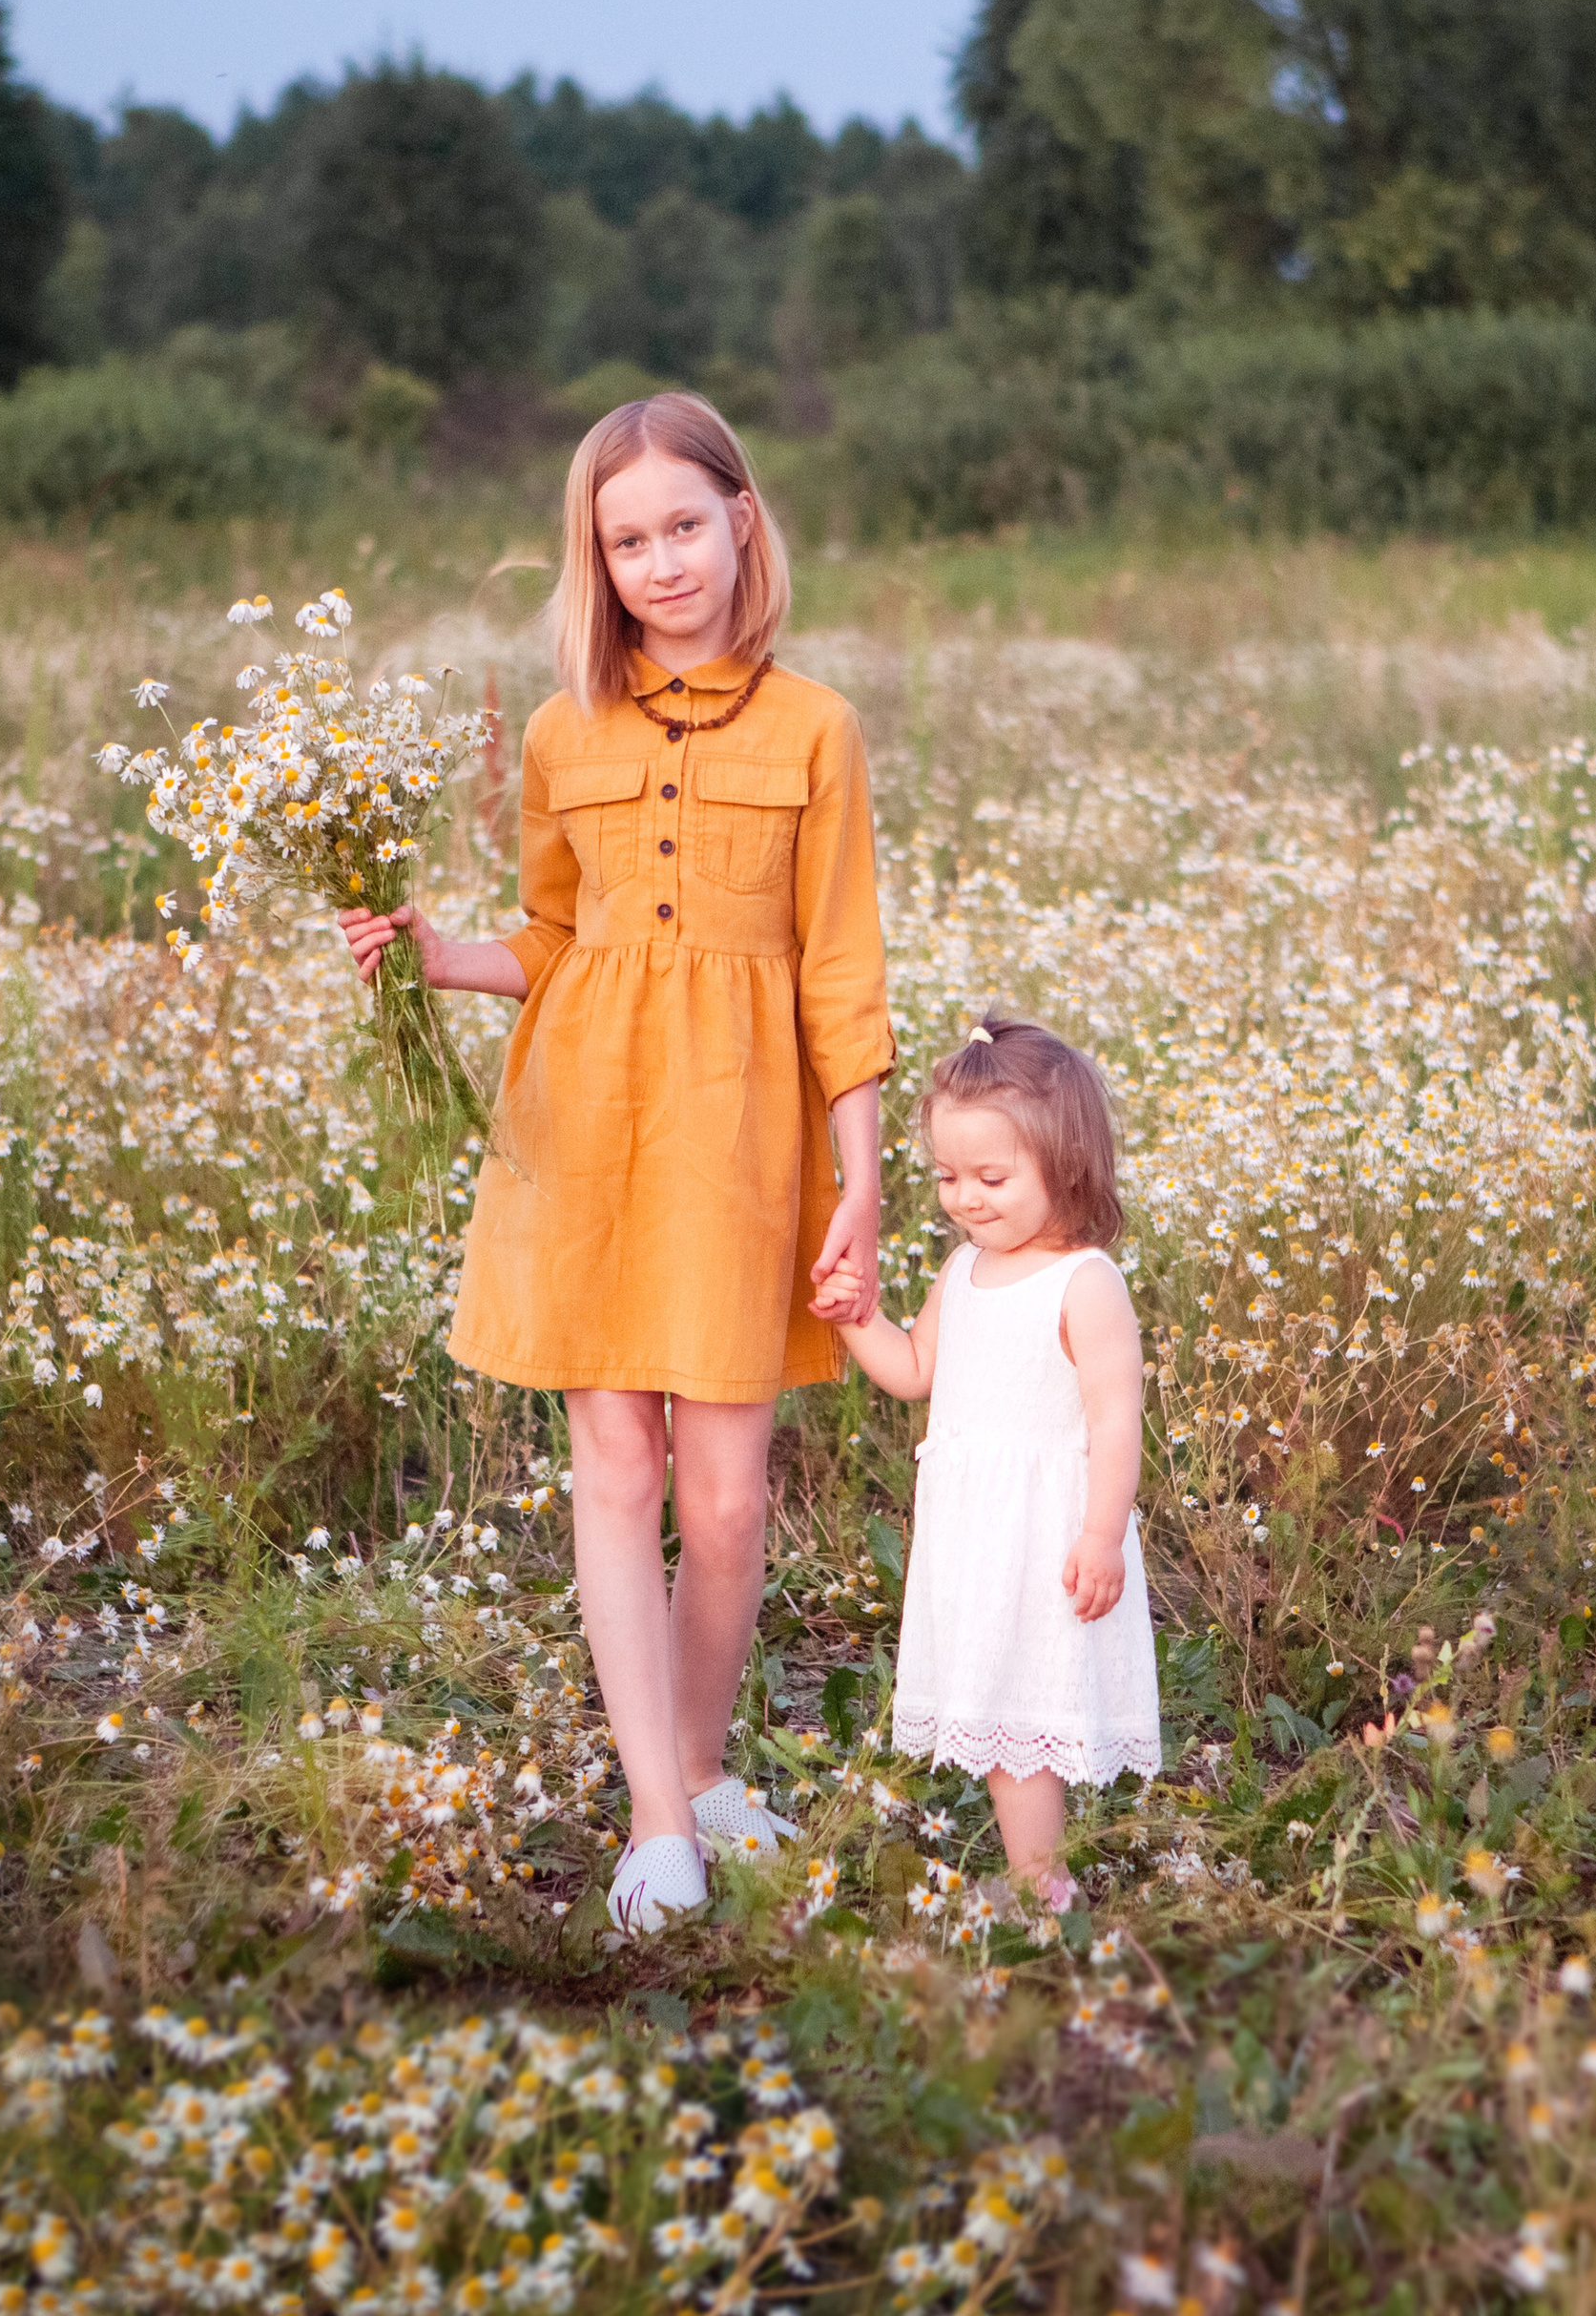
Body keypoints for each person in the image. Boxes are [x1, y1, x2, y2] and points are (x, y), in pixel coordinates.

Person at [339, 393, 893, 1934]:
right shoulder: (559, 731)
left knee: (722, 1499)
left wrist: (862, 1180)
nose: (659, 562)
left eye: (682, 526)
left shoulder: (816, 730)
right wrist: (432, 954)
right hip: (580, 1126)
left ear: (741, 522)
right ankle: (657, 1820)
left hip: (736, 1140)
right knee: (617, 1467)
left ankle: (703, 1771)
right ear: (597, 558)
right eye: (625, 538)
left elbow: (841, 974)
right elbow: (554, 938)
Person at [812, 1016, 1159, 1907]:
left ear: (1066, 1161)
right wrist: (856, 1320)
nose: (965, 1198)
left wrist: (1102, 1535)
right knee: (1003, 1718)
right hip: (974, 1539)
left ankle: (1043, 1887)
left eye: (992, 1178)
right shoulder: (962, 1270)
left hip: (1048, 1540)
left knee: (1019, 1719)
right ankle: (1038, 1880)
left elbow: (1118, 1422)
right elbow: (915, 1372)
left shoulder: (1084, 1282)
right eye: (946, 1177)